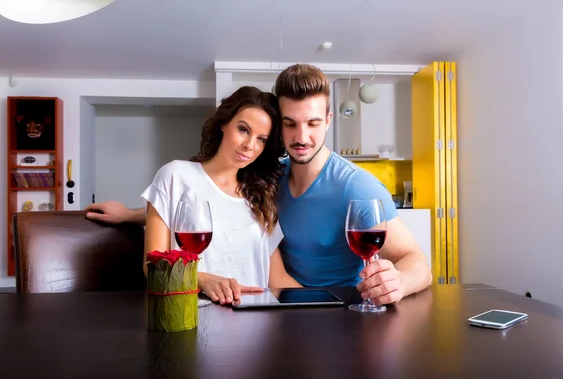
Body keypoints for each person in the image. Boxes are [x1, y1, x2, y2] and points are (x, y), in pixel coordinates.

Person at [86, 64, 431, 306]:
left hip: (323, 310)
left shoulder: (354, 188)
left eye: (313, 123)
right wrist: (133, 214)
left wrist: (396, 284)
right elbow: (200, 210)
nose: (302, 137)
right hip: (254, 309)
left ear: (328, 120)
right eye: (290, 124)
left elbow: (415, 261)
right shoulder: (268, 181)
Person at [132, 86, 301, 304]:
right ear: (224, 124)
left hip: (255, 325)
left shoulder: (259, 199)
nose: (250, 145)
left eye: (261, 139)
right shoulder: (176, 175)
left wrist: (331, 305)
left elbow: (278, 280)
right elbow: (152, 267)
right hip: (193, 319)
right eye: (243, 129)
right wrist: (202, 279)